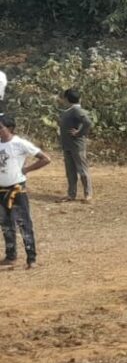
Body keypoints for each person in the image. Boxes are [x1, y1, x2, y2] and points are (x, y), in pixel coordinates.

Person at [1, 114, 51, 269]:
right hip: (1, 191)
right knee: (6, 223)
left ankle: (31, 258)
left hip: (17, 189)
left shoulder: (19, 143)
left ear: (9, 128)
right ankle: (11, 256)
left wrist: (26, 169)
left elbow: (45, 158)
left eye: (0, 127)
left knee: (24, 224)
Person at [56, 88, 93, 203]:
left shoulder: (76, 110)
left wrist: (79, 133)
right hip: (68, 145)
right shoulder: (69, 110)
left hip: (77, 145)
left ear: (66, 99)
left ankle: (88, 194)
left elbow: (87, 122)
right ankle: (71, 194)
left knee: (82, 170)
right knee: (70, 172)